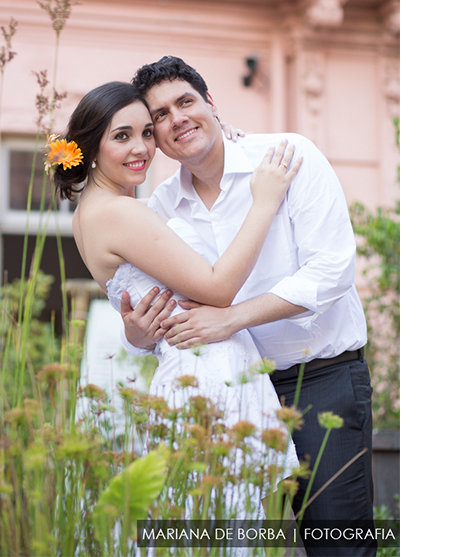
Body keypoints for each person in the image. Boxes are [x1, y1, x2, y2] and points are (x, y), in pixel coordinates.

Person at [119, 56, 376, 556]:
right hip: (226, 396)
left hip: (320, 381)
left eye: (186, 102)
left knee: (339, 545)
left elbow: (332, 271)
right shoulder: (161, 208)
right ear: (155, 136)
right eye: (161, 117)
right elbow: (161, 319)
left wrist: (232, 318)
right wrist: (139, 332)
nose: (178, 119)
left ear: (211, 103)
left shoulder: (286, 157)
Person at [50, 80, 302, 519]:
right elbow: (218, 289)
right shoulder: (118, 213)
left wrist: (137, 336)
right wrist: (263, 201)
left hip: (202, 365)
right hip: (207, 372)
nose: (141, 148)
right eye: (121, 136)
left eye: (147, 132)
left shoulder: (92, 213)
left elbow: (145, 309)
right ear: (90, 147)